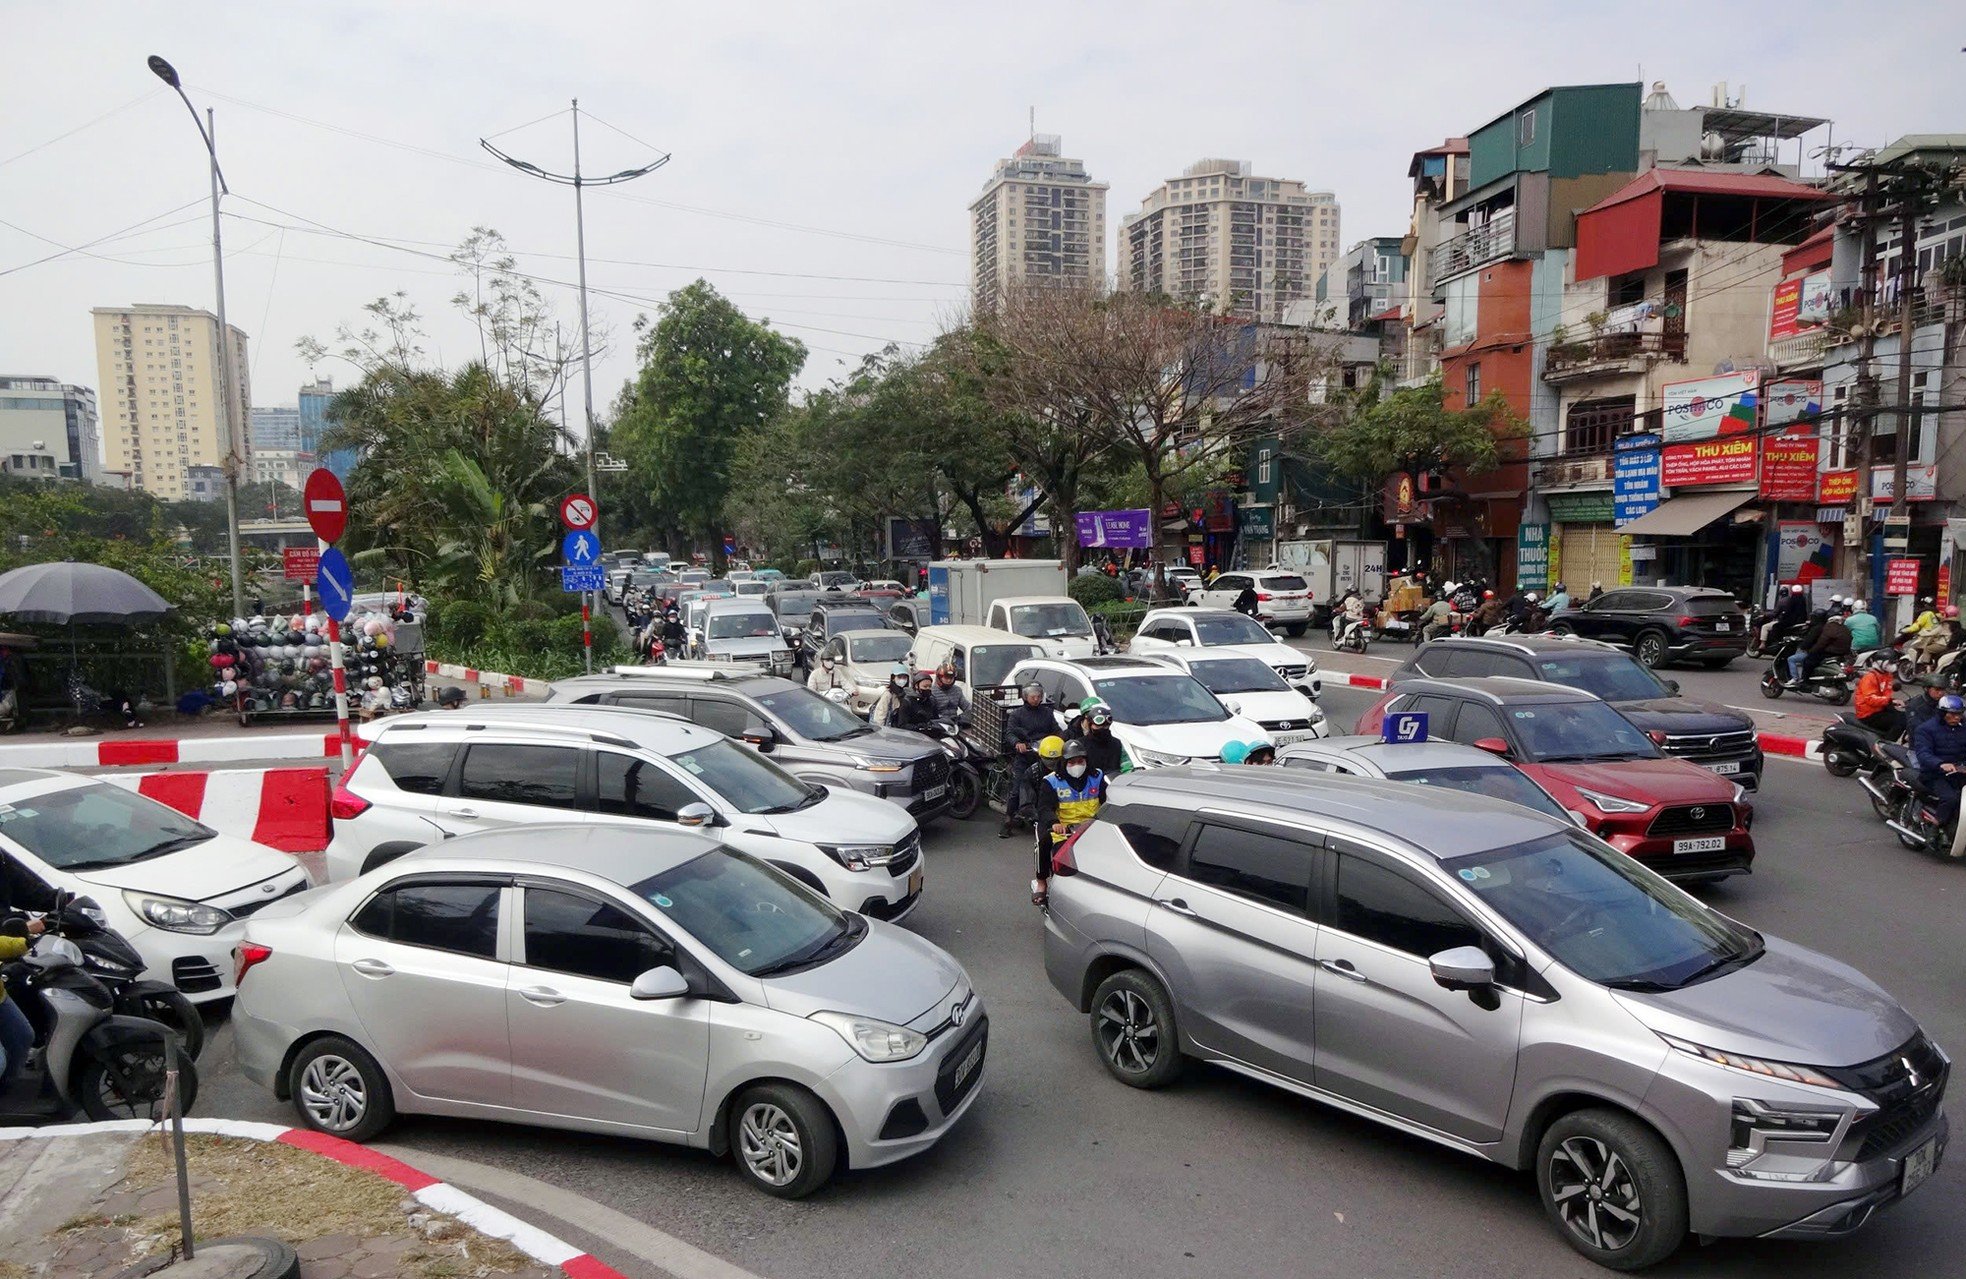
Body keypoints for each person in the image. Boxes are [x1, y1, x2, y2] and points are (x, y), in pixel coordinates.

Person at [1032, 740, 1105, 906]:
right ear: (1064, 762)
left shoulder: (1097, 777)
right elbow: (1044, 807)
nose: (1076, 765)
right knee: (1044, 844)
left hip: (1093, 829)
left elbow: (1108, 801)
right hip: (1063, 831)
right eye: (1071, 762)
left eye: (1080, 761)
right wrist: (1054, 822)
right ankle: (1041, 882)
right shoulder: (1051, 781)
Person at [1001, 683, 1059, 838]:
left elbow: (1056, 730)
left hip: (1045, 756)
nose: (1036, 699)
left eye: (1039, 696)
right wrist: (1017, 743)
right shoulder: (1017, 715)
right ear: (1025, 697)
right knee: (1016, 789)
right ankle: (1007, 821)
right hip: (1025, 756)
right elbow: (1010, 733)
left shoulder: (1047, 713)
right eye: (1033, 696)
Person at [1913, 693, 1966, 829]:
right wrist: (1941, 764)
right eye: (1953, 714)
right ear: (1942, 713)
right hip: (1934, 775)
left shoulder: (1963, 728)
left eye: (1959, 714)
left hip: (1959, 773)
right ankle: (1936, 828)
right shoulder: (1926, 730)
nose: (1957, 717)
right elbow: (1923, 753)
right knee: (1950, 799)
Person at [1790, 608, 1849, 686]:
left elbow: (1821, 643)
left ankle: (1805, 680)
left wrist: (1812, 651)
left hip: (1831, 652)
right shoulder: (1844, 627)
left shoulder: (1829, 628)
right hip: (1843, 651)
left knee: (1808, 661)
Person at [1855, 655, 1906, 740]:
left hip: (1881, 708)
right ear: (1880, 663)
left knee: (1908, 716)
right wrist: (1889, 701)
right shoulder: (1870, 677)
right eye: (1890, 663)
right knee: (1901, 721)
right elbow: (1870, 699)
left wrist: (1892, 701)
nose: (1893, 665)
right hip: (1869, 714)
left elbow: (1885, 694)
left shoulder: (1887, 675)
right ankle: (1885, 746)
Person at [1069, 700, 1126, 776]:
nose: (1102, 728)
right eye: (1098, 725)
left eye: (1105, 726)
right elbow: (1075, 770)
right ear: (1090, 724)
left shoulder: (1117, 744)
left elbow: (1126, 766)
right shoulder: (1080, 745)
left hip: (1113, 783)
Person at [1904, 673, 1951, 740]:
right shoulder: (1915, 705)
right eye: (1937, 689)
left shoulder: (1945, 703)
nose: (1941, 693)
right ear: (1926, 689)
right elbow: (1917, 729)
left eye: (1943, 690)